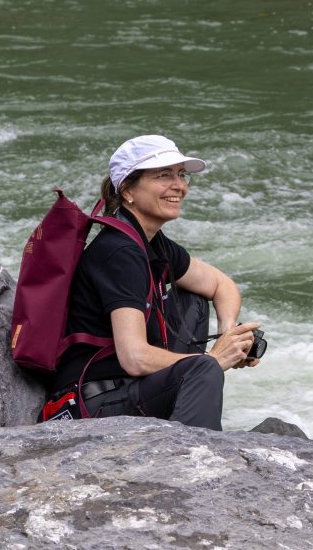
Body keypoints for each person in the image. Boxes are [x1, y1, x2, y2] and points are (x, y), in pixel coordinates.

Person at [44, 134, 261, 431]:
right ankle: (196, 460)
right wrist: (213, 360)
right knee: (203, 369)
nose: (179, 186)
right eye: (163, 175)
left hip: (132, 387)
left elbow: (221, 284)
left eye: (181, 175)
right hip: (91, 405)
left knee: (194, 300)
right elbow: (134, 358)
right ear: (128, 191)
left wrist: (229, 333)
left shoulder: (153, 243)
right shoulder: (120, 252)